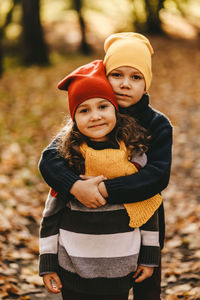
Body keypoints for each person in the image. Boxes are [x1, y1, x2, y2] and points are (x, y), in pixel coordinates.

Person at [39, 32, 173, 299]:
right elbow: (49, 159)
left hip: (143, 218)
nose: (125, 84)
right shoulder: (93, 114)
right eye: (117, 75)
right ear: (104, 76)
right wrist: (76, 186)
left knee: (147, 286)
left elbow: (157, 177)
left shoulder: (158, 124)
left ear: (146, 83)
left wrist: (104, 190)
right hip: (90, 233)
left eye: (136, 77)